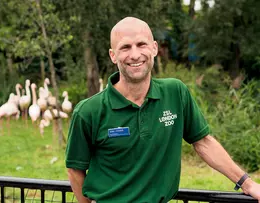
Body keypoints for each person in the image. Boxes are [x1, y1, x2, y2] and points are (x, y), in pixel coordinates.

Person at [65, 17, 260, 203]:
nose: (134, 54)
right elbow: (75, 170)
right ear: (113, 55)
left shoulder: (175, 93)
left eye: (141, 44)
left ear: (154, 48)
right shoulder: (88, 111)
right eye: (125, 47)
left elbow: (204, 143)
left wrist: (248, 183)